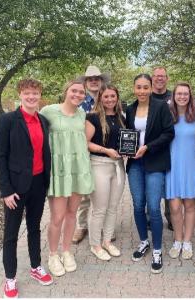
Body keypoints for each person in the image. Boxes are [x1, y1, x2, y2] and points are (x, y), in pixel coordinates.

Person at [0, 79, 53, 298]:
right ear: (20, 94)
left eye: (35, 93)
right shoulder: (8, 120)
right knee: (10, 234)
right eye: (27, 93)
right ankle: (10, 278)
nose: (31, 97)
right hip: (16, 188)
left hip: (38, 184)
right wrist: (6, 190)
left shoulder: (44, 121)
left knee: (34, 228)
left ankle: (36, 266)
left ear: (40, 95)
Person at [40, 79, 94, 277]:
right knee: (57, 216)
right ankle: (53, 255)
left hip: (78, 169)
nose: (78, 95)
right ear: (66, 91)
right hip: (59, 171)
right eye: (74, 91)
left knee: (72, 213)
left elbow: (87, 137)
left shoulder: (82, 114)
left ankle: (66, 251)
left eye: (81, 92)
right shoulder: (48, 111)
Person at [126, 74, 174, 274]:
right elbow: (127, 133)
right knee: (138, 205)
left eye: (146, 87)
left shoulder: (161, 106)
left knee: (154, 207)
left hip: (155, 161)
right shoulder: (129, 109)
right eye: (139, 87)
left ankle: (156, 249)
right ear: (134, 88)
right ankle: (144, 242)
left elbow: (169, 133)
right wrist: (125, 148)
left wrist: (147, 147)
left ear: (151, 87)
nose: (142, 91)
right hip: (135, 163)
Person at [85, 85, 126, 261]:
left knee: (112, 207)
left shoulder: (121, 117)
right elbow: (86, 142)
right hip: (99, 165)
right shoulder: (92, 117)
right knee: (100, 209)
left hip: (118, 166)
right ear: (100, 98)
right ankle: (95, 244)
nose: (110, 99)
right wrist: (106, 150)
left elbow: (125, 140)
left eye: (113, 96)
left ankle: (107, 241)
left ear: (117, 98)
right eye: (106, 96)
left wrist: (125, 151)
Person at [73, 65, 110, 244]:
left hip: (102, 155)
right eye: (90, 79)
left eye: (97, 78)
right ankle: (81, 226)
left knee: (102, 192)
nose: (94, 81)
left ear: (101, 81)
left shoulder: (108, 99)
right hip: (82, 152)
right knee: (83, 193)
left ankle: (102, 226)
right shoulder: (78, 101)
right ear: (86, 82)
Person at [165, 82, 195, 260]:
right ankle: (177, 240)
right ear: (174, 96)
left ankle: (187, 242)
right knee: (175, 206)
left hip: (191, 166)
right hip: (172, 166)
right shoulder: (167, 116)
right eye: (179, 93)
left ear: (190, 96)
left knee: (190, 205)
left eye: (186, 94)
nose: (182, 96)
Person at [152, 66, 173, 231]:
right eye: (156, 76)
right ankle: (152, 217)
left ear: (167, 78)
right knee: (153, 184)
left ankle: (171, 217)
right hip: (151, 148)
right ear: (152, 78)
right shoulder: (146, 96)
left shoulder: (174, 97)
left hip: (171, 145)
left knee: (170, 183)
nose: (159, 79)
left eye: (162, 76)